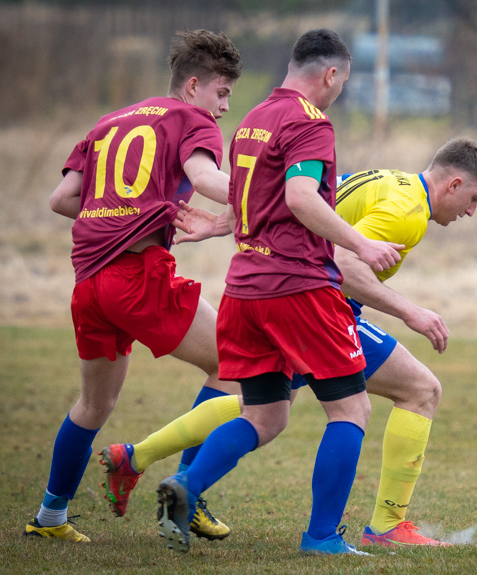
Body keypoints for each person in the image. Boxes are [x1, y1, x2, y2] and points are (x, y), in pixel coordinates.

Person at [166, 137, 477, 548]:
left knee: (262, 412)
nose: (471, 210)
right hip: (316, 305)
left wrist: (225, 223)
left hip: (263, 289)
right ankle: (360, 531)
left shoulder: (388, 179)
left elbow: (300, 203)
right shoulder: (408, 211)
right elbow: (343, 266)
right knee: (383, 400)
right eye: (474, 198)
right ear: (453, 184)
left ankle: (148, 464)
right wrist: (411, 311)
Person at [155, 29, 403, 556]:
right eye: (342, 82)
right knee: (351, 411)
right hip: (298, 287)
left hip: (243, 289)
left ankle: (189, 483)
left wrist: (221, 226)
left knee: (263, 416)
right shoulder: (311, 122)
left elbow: (252, 196)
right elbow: (298, 197)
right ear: (330, 75)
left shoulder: (252, 120)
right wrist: (363, 245)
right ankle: (321, 538)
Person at [23, 30, 243, 543]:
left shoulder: (109, 122)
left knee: (92, 407)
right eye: (222, 93)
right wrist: (271, 194)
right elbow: (206, 178)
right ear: (194, 86)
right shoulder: (193, 121)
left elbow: (61, 199)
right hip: (134, 278)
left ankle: (51, 516)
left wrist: (122, 216)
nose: (225, 107)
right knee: (233, 363)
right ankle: (189, 493)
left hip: (90, 284)